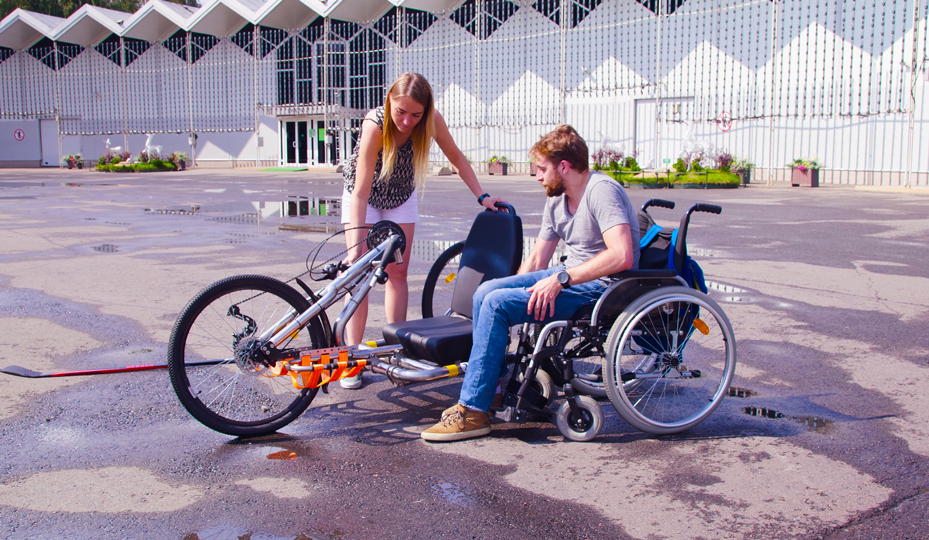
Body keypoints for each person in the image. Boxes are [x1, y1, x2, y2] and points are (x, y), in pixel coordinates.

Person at [421, 125, 641, 441]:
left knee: (497, 304)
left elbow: (622, 255)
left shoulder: (601, 191)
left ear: (563, 166)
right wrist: (511, 288)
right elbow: (538, 258)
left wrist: (560, 280)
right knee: (487, 292)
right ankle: (492, 390)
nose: (537, 176)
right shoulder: (558, 198)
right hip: (570, 276)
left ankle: (473, 411)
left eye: (541, 168)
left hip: (603, 287)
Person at [340, 72, 504, 389]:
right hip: (364, 197)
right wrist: (354, 250)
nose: (407, 121)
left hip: (401, 196)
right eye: (401, 112)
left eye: (415, 114)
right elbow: (360, 192)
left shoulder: (431, 120)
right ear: (390, 101)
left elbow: (456, 158)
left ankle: (397, 351)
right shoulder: (375, 124)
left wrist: (482, 196)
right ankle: (353, 360)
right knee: (360, 275)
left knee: (397, 272)